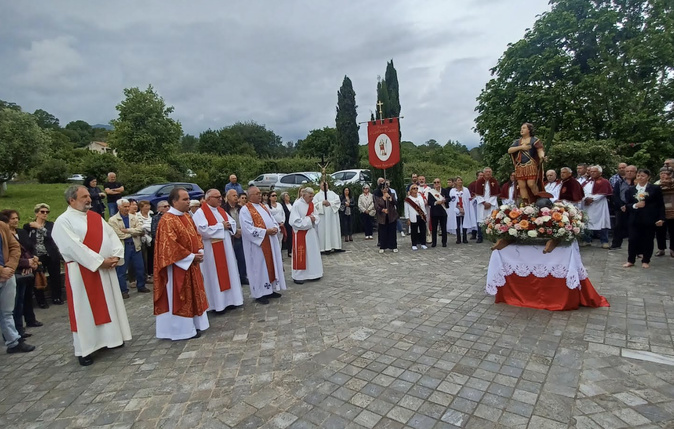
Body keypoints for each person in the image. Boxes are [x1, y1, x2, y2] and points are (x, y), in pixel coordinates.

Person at [51, 185, 131, 365]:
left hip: (105, 270)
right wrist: (99, 261)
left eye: (89, 196)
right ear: (72, 200)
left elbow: (112, 237)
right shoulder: (63, 221)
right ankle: (85, 349)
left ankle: (111, 339)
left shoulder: (95, 217)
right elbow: (72, 246)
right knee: (84, 311)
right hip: (82, 272)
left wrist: (116, 255)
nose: (89, 199)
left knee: (109, 305)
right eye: (84, 196)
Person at [153, 188, 210, 340]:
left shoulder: (187, 216)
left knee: (194, 293)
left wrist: (199, 250)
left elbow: (196, 235)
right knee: (180, 296)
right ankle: (181, 330)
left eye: (188, 199)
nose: (188, 202)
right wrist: (191, 256)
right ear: (174, 201)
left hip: (191, 263)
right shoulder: (167, 220)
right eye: (184, 199)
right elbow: (170, 246)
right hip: (177, 267)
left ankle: (196, 324)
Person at [193, 189, 244, 313]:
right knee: (215, 276)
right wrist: (221, 226)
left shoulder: (221, 210)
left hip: (226, 248)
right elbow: (201, 230)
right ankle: (217, 305)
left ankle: (231, 300)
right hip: (211, 251)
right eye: (217, 197)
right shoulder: (200, 213)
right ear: (208, 199)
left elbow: (231, 222)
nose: (220, 199)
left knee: (229, 272)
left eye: (220, 197)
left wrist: (228, 226)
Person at [239, 186, 286, 305]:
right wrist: (265, 232)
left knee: (269, 265)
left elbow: (272, 220)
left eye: (260, 193)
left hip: (269, 241)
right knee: (259, 268)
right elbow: (247, 229)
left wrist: (275, 227)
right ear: (250, 196)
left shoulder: (263, 207)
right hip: (257, 245)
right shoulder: (246, 210)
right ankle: (260, 293)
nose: (260, 195)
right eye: (257, 194)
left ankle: (270, 289)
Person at [0, 210, 42, 340]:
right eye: (13, 218)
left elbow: (16, 248)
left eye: (17, 218)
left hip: (11, 272)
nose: (16, 220)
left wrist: (11, 267)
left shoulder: (6, 228)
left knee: (14, 307)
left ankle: (15, 338)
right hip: (8, 271)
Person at [623, 169, 666, 268]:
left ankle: (646, 260)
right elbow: (627, 205)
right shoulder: (631, 190)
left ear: (648, 177)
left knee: (648, 239)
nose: (640, 178)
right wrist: (635, 205)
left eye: (642, 176)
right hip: (634, 219)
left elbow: (660, 205)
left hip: (649, 218)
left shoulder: (655, 189)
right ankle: (631, 260)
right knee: (632, 239)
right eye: (638, 175)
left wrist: (661, 218)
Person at [108, 199, 150, 297]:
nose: (127, 208)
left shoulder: (134, 217)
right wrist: (133, 233)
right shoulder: (113, 220)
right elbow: (119, 235)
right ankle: (123, 291)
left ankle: (141, 286)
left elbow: (140, 230)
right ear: (119, 207)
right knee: (121, 270)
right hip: (123, 247)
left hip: (135, 245)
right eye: (125, 206)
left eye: (128, 206)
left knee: (140, 267)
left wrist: (127, 230)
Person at [24, 203, 63, 307]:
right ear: (37, 213)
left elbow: (51, 236)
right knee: (38, 276)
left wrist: (40, 227)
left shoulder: (51, 225)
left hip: (50, 253)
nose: (45, 214)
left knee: (55, 276)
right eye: (42, 212)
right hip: (37, 255)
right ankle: (41, 300)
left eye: (47, 212)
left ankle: (57, 297)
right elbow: (25, 237)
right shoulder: (29, 226)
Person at [289, 187, 323, 283]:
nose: (312, 198)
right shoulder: (297, 205)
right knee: (301, 255)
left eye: (312, 196)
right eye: (310, 196)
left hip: (311, 233)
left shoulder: (311, 204)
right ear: (303, 195)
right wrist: (309, 220)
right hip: (301, 234)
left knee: (312, 254)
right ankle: (299, 276)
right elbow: (294, 222)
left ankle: (314, 273)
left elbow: (316, 216)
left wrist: (314, 218)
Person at [507, 123, 544, 203]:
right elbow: (510, 150)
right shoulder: (518, 141)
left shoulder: (535, 140)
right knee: (521, 186)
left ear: (529, 130)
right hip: (520, 166)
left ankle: (538, 200)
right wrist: (521, 147)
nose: (521, 130)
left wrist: (542, 157)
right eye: (521, 128)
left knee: (531, 184)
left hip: (530, 165)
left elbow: (540, 150)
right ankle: (525, 203)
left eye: (524, 128)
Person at [581, 165, 613, 248]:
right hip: (587, 206)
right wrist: (585, 199)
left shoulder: (604, 181)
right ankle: (587, 240)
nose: (592, 173)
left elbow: (604, 193)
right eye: (591, 171)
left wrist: (592, 199)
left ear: (600, 172)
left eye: (594, 171)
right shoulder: (586, 182)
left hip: (599, 205)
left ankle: (604, 241)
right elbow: (581, 192)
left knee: (602, 222)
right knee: (587, 222)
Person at [223, 190, 248, 285]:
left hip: (242, 234)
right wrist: (234, 232)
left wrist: (242, 230)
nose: (236, 197)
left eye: (236, 195)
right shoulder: (223, 209)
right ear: (228, 197)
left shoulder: (241, 208)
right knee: (231, 258)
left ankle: (243, 277)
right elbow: (224, 222)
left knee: (242, 257)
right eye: (233, 195)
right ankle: (234, 278)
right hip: (231, 236)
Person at [610, 165, 637, 250]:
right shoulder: (619, 182)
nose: (629, 173)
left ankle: (636, 246)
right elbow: (616, 195)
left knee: (634, 226)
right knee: (618, 226)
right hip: (621, 207)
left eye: (631, 171)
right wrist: (621, 205)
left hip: (634, 207)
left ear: (635, 172)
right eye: (627, 171)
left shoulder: (638, 182)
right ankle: (616, 244)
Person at [313, 181, 342, 253]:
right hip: (323, 218)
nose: (325, 186)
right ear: (320, 186)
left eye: (326, 185)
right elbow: (314, 204)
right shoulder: (317, 195)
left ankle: (336, 246)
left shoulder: (333, 194)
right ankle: (323, 248)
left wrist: (330, 203)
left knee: (333, 229)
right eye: (323, 185)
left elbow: (338, 201)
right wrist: (322, 203)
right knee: (323, 231)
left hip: (332, 217)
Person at [474, 167, 500, 244]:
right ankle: (480, 237)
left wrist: (490, 203)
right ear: (484, 173)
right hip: (482, 204)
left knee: (493, 219)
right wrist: (484, 202)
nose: (488, 173)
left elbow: (495, 194)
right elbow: (477, 194)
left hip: (492, 204)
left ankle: (492, 237)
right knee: (481, 219)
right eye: (487, 172)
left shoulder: (494, 181)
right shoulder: (479, 182)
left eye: (489, 172)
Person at [447, 176, 476, 244]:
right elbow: (453, 200)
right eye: (458, 180)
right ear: (455, 182)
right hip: (456, 209)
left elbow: (468, 200)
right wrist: (459, 208)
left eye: (461, 180)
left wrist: (464, 209)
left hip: (465, 208)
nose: (460, 181)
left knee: (464, 223)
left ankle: (465, 238)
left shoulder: (465, 190)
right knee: (457, 224)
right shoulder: (452, 191)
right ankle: (458, 238)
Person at [374, 183, 399, 253]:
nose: (385, 189)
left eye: (386, 188)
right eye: (383, 188)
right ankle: (383, 246)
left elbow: (395, 203)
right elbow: (376, 206)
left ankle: (393, 246)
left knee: (392, 232)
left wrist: (390, 198)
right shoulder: (377, 197)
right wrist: (382, 210)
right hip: (382, 217)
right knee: (383, 232)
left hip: (391, 216)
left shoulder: (392, 195)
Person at [655, 167, 674, 256]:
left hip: (672, 209)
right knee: (660, 231)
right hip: (660, 210)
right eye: (661, 173)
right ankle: (661, 248)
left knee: (673, 230)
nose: (663, 175)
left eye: (666, 173)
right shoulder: (656, 184)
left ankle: (673, 249)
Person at [427, 178, 449, 247]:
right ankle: (434, 242)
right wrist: (436, 202)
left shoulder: (444, 190)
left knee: (444, 228)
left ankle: (444, 242)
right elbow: (429, 202)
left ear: (440, 183)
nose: (437, 183)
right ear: (433, 184)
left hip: (443, 212)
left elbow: (449, 198)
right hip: (434, 212)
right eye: (435, 182)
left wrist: (444, 200)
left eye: (438, 182)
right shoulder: (431, 192)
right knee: (434, 228)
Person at [405, 184, 427, 251]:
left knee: (423, 230)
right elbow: (406, 210)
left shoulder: (420, 197)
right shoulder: (408, 199)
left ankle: (423, 243)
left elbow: (423, 207)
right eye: (414, 188)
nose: (415, 190)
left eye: (416, 188)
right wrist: (407, 218)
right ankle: (414, 244)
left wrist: (425, 214)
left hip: (421, 215)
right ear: (411, 190)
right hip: (413, 216)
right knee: (414, 231)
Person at [137, 200, 154, 281]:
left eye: (148, 205)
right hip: (143, 239)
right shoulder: (137, 216)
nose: (148, 207)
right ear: (141, 207)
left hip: (152, 237)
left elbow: (152, 225)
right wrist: (147, 227)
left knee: (152, 256)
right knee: (145, 257)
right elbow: (141, 227)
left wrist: (147, 227)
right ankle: (146, 274)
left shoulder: (151, 214)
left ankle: (151, 272)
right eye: (146, 206)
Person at [467, 171, 484, 240]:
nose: (481, 177)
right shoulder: (472, 184)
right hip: (474, 204)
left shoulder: (485, 184)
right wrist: (473, 197)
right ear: (477, 176)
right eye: (480, 175)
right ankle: (474, 233)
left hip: (482, 203)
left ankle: (481, 234)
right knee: (474, 218)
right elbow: (469, 194)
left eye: (482, 175)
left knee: (481, 218)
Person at [280, 192, 294, 257]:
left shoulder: (292, 204)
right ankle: (289, 251)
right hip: (287, 222)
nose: (288, 196)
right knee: (289, 237)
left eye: (288, 195)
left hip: (293, 222)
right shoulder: (282, 205)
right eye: (286, 196)